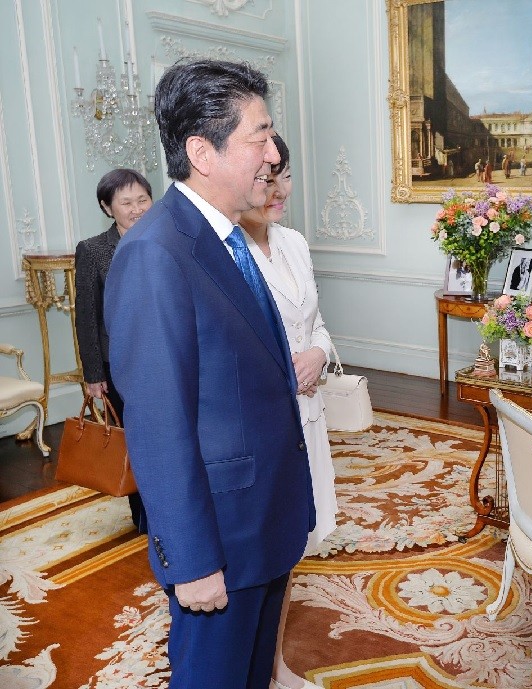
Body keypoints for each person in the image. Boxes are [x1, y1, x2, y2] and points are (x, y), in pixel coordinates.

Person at [104, 59, 316, 689]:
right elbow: (158, 424)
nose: (274, 153)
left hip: (261, 523)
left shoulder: (225, 238)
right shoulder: (155, 255)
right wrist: (192, 560)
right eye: (259, 135)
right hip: (218, 543)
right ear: (202, 150)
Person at [238, 134, 337, 689]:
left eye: (285, 175)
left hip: (310, 418)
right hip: (265, 428)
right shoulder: (230, 251)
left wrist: (318, 353)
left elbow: (315, 323)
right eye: (266, 176)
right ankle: (257, 670)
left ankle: (275, 666)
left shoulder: (295, 242)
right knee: (263, 556)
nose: (278, 189)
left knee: (292, 550)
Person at [74, 168, 152, 533]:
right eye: (126, 203)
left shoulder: (164, 240)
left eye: (143, 200)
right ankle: (145, 517)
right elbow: (86, 316)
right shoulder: (93, 250)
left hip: (163, 358)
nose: (137, 209)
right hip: (119, 364)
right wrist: (93, 375)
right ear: (108, 208)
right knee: (135, 442)